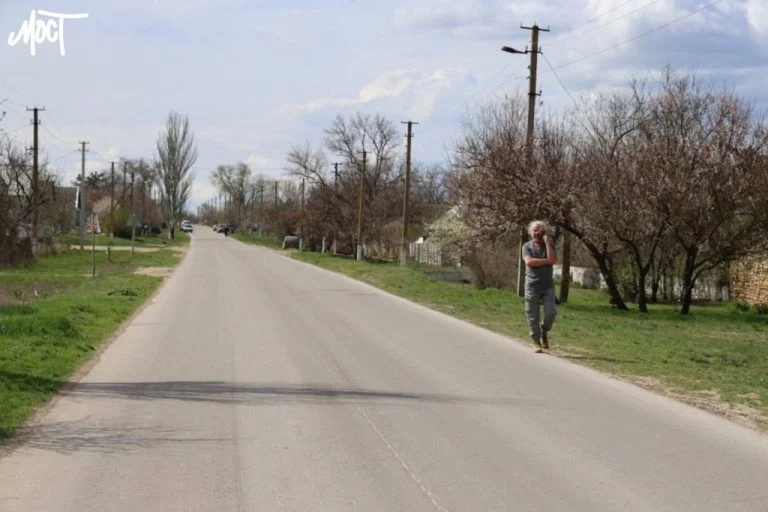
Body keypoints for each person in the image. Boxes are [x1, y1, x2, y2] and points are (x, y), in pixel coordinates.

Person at [521, 220, 558, 353]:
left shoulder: (550, 245)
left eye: (539, 230)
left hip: (547, 286)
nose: (537, 233)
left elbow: (553, 260)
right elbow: (529, 262)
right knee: (532, 315)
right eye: (534, 230)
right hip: (532, 285)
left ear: (544, 232)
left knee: (551, 313)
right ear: (530, 232)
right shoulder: (526, 247)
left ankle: (544, 331)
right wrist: (546, 261)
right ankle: (536, 341)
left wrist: (547, 243)